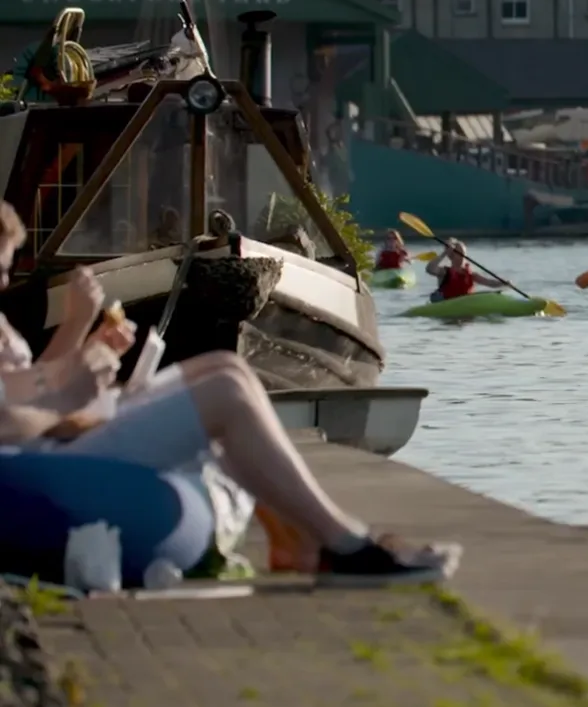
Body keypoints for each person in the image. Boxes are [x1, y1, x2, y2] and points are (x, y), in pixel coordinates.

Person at [0, 202, 460, 585]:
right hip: (44, 456)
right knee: (223, 394)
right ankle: (344, 546)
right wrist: (66, 393)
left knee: (226, 367)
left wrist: (81, 340)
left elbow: (29, 382)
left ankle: (297, 538)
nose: (5, 282)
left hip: (56, 436)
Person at [424, 239, 504, 303]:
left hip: (465, 304)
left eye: (464, 253)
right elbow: (429, 269)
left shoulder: (471, 274)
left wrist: (503, 283)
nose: (463, 257)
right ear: (451, 256)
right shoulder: (444, 272)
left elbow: (489, 283)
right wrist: (445, 253)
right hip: (447, 303)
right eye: (460, 253)